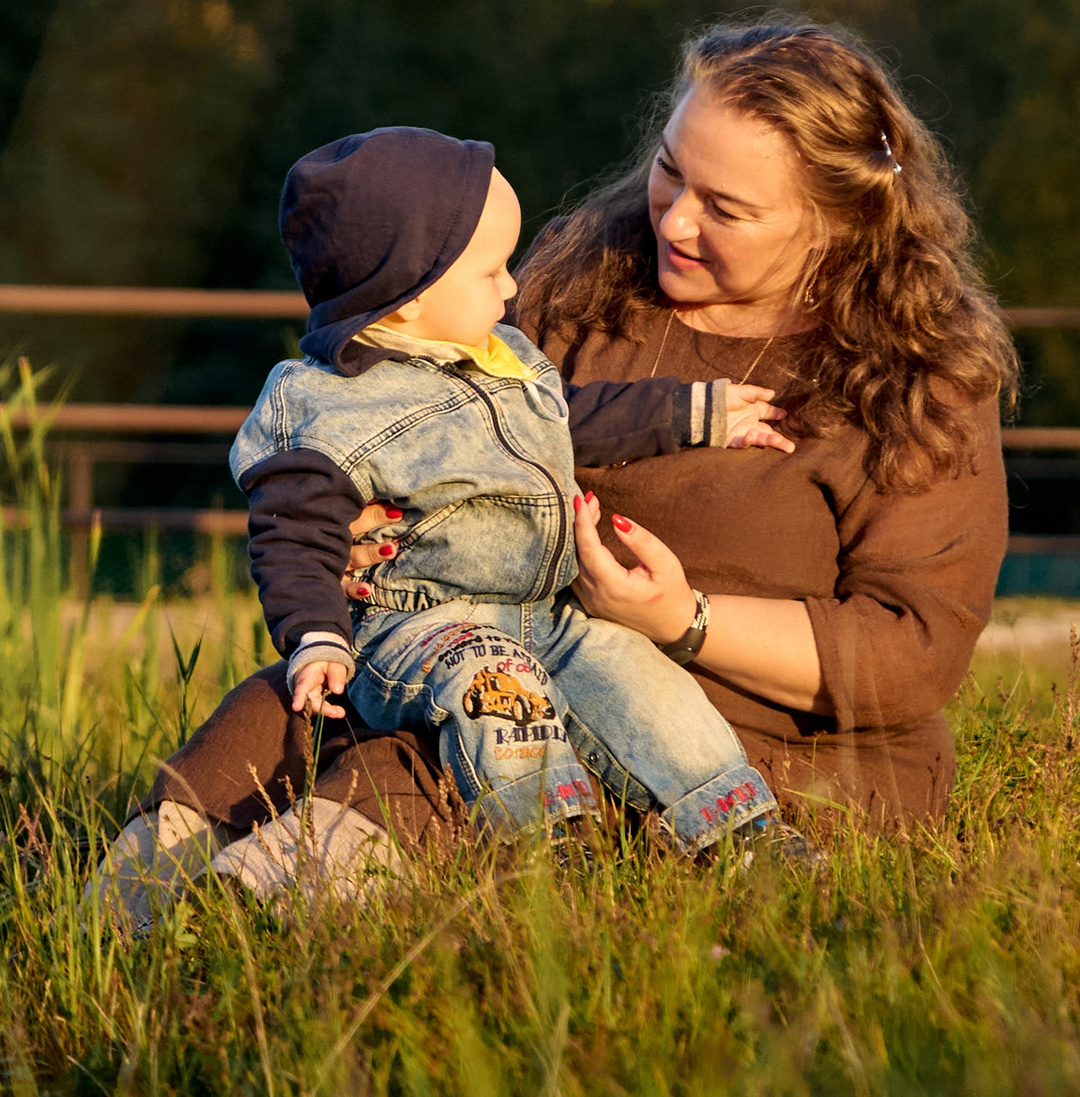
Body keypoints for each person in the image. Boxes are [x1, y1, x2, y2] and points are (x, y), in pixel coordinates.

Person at [101, 23, 1014, 919]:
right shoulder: (585, 278)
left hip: (750, 736)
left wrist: (680, 620)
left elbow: (913, 648)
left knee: (434, 764)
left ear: (839, 222)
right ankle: (124, 897)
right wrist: (367, 525)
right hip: (500, 642)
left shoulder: (918, 376)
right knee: (290, 703)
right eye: (669, 170)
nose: (677, 218)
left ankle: (247, 930)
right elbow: (428, 412)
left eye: (727, 209)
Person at [234, 124, 796, 854]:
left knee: (634, 674)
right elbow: (292, 533)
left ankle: (736, 828)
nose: (512, 285)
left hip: (544, 611)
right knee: (498, 690)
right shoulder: (328, 404)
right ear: (405, 296)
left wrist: (698, 412)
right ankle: (548, 843)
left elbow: (574, 420)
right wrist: (315, 636)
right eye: (492, 269)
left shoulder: (500, 359)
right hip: (418, 627)